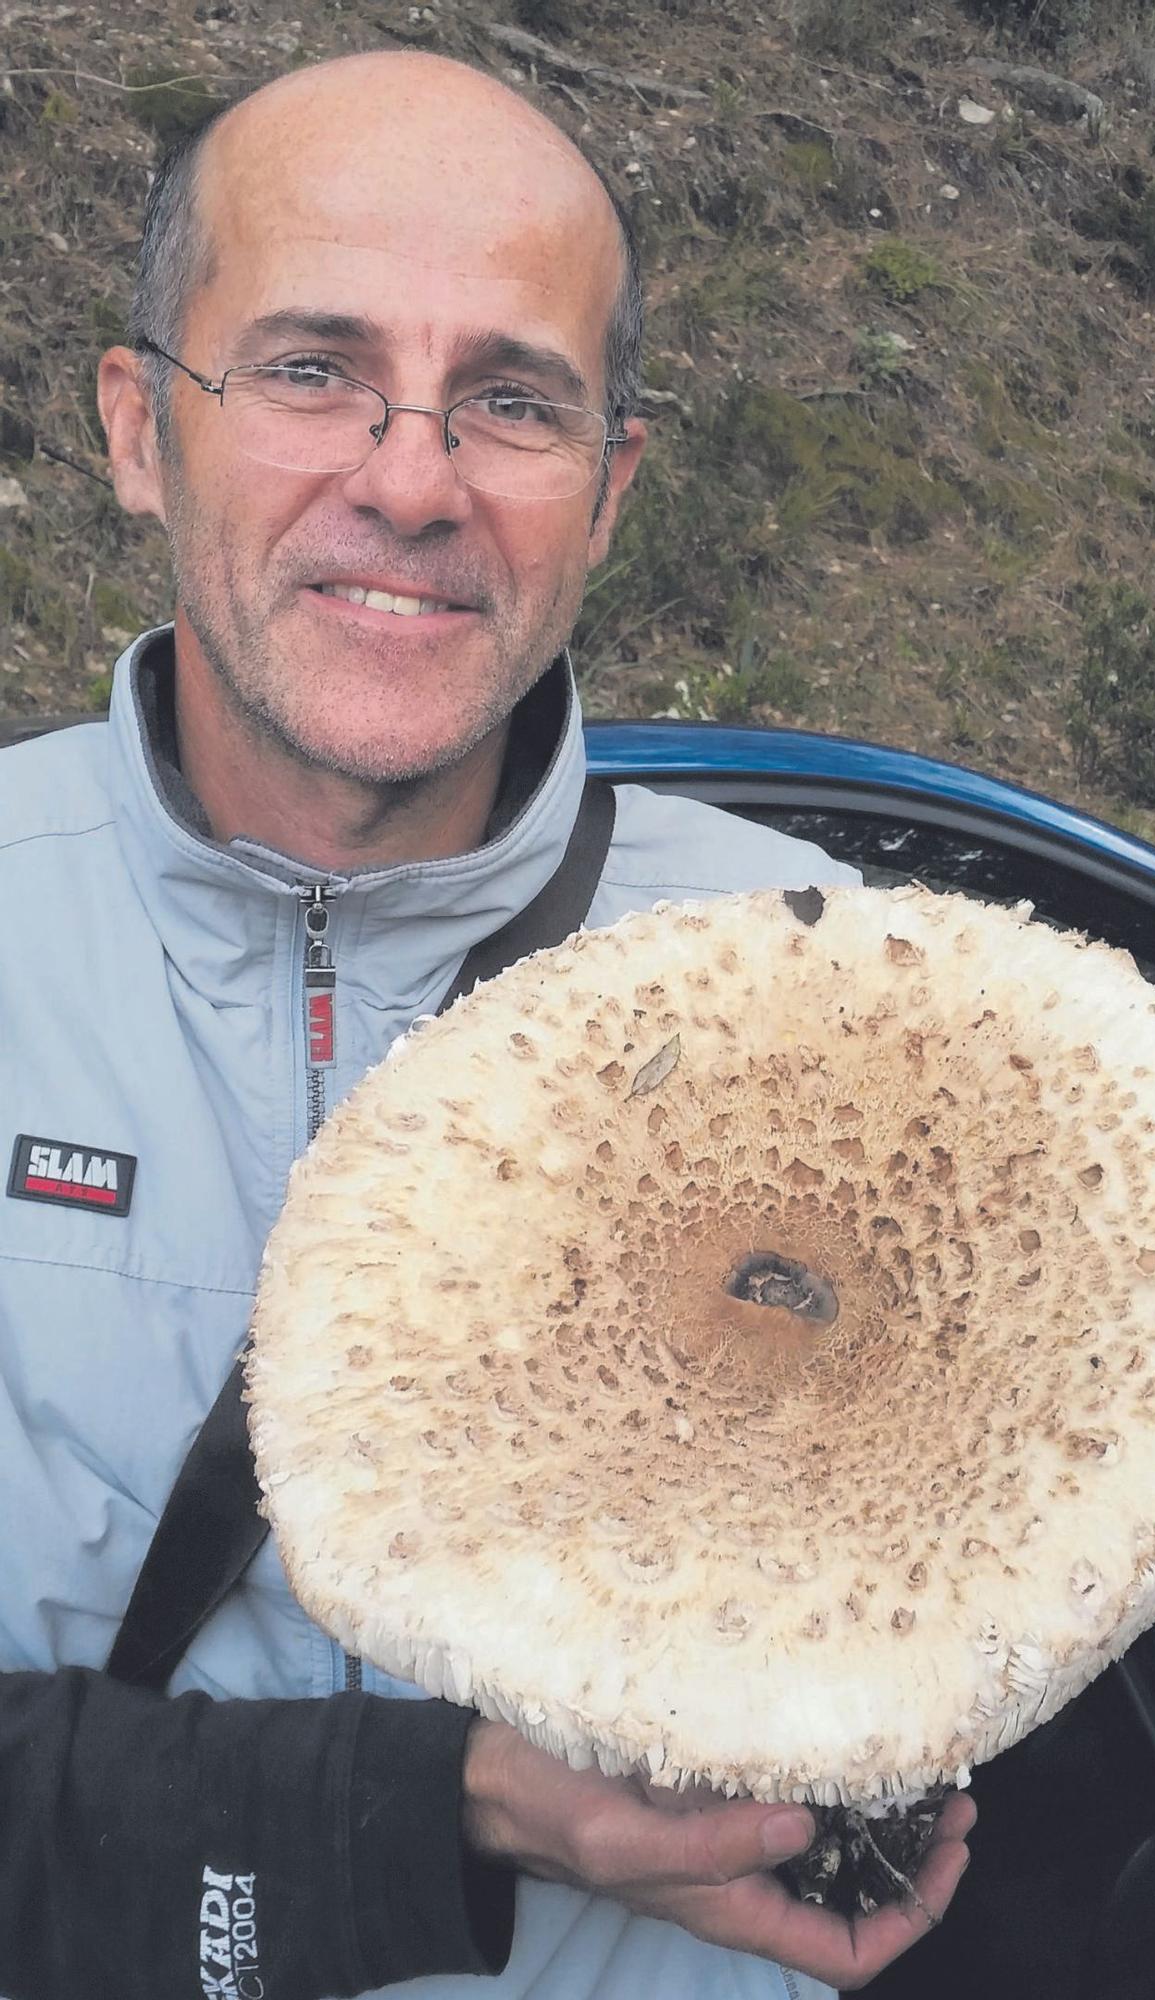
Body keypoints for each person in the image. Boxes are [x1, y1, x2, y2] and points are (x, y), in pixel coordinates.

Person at [0, 48, 973, 2000]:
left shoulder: (840, 986)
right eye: (308, 368)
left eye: (512, 399)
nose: (411, 476)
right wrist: (463, 1803)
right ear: (135, 426)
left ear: (607, 487)